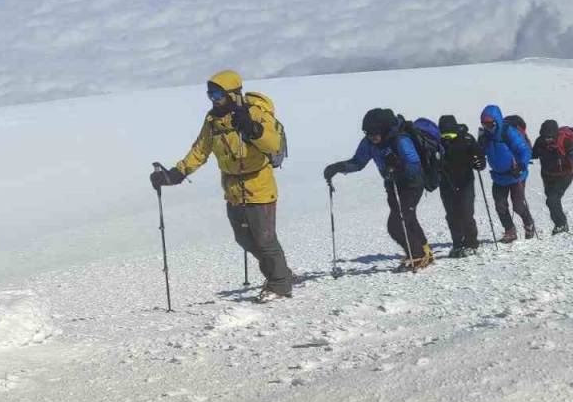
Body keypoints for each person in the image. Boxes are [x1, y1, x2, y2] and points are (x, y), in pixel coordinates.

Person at [149, 70, 293, 303]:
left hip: (259, 186)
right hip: (233, 188)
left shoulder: (255, 113)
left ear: (233, 94)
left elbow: (273, 143)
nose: (214, 99)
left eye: (218, 94)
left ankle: (279, 284)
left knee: (265, 239)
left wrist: (252, 129)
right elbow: (200, 150)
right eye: (210, 94)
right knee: (244, 239)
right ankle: (281, 272)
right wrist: (176, 174)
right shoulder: (213, 121)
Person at [323, 108, 434, 269]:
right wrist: (337, 167)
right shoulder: (369, 142)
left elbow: (415, 167)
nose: (371, 137)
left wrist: (398, 165)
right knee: (407, 218)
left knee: (397, 224)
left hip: (411, 184)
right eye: (368, 133)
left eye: (374, 133)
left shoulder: (401, 140)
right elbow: (358, 163)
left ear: (384, 129)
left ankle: (417, 255)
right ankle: (425, 251)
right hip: (392, 184)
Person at [478, 104, 535, 242]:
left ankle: (529, 223)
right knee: (500, 206)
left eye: (490, 124)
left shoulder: (508, 132)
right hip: (498, 176)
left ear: (496, 121)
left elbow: (524, 150)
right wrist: (479, 160)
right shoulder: (484, 136)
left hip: (516, 175)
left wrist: (521, 165)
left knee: (518, 205)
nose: (487, 127)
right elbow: (480, 152)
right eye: (484, 124)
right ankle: (510, 231)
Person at [437, 115, 485, 258]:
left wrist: (479, 163)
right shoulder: (437, 143)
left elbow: (480, 157)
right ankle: (458, 244)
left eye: (449, 134)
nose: (447, 138)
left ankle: (471, 243)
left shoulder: (467, 139)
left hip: (466, 182)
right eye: (444, 134)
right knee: (451, 215)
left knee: (466, 213)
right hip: (446, 184)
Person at [532, 119, 573, 234]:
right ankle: (560, 224)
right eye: (545, 137)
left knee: (552, 200)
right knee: (551, 201)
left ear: (555, 135)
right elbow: (533, 154)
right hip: (547, 176)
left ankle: (561, 225)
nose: (547, 140)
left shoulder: (566, 142)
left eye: (550, 137)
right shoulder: (540, 141)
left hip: (564, 175)